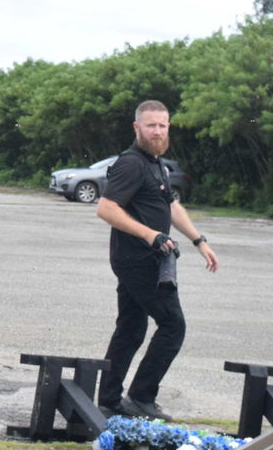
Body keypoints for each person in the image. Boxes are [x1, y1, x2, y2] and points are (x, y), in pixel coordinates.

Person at [94, 100, 219, 421]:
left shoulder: (157, 164)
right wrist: (150, 235)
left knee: (131, 328)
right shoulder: (131, 163)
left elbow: (171, 206)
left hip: (144, 259)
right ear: (137, 128)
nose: (158, 131)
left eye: (163, 125)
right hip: (138, 259)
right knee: (173, 325)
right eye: (151, 125)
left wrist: (198, 240)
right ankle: (141, 396)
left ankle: (109, 398)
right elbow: (106, 208)